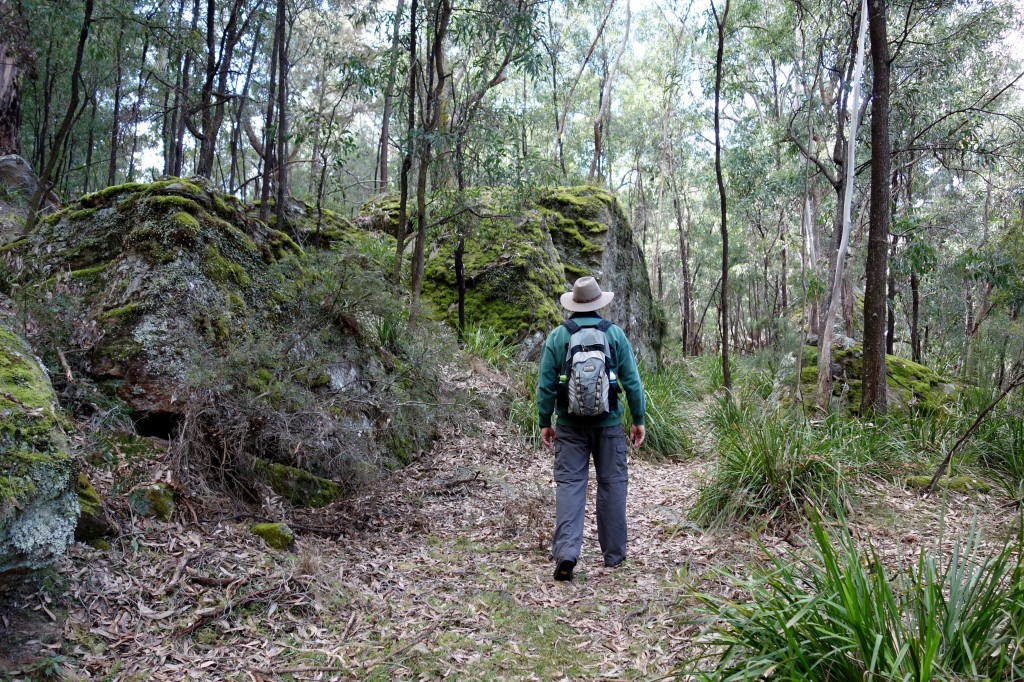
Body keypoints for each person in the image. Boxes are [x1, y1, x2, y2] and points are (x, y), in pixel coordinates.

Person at [536, 276, 646, 581]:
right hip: (609, 425)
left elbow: (545, 387)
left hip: (570, 427)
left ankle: (567, 553)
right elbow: (632, 383)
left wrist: (545, 422)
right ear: (600, 304)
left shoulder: (558, 337)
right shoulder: (614, 335)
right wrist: (638, 419)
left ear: (573, 304)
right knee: (612, 484)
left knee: (571, 486)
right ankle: (614, 555)